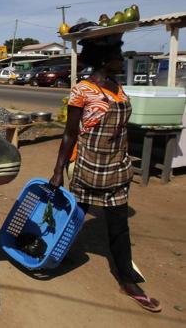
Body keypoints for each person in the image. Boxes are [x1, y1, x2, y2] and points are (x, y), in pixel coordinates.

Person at [49, 33, 161, 312]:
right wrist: (58, 170)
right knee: (74, 216)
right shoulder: (82, 90)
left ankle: (126, 279)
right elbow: (69, 134)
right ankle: (52, 255)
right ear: (103, 59)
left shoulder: (117, 87)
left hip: (118, 167)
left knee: (119, 225)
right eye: (117, 56)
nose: (121, 60)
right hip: (89, 166)